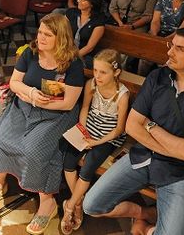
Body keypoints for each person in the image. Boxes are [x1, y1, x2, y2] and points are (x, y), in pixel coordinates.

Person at [82, 26, 184, 234]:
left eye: (180, 49)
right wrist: (180, 147)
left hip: (182, 172)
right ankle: (144, 214)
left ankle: (149, 229)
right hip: (144, 157)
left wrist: (150, 125)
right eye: (172, 45)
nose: (169, 52)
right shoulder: (157, 77)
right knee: (91, 205)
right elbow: (131, 125)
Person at [0, 13, 85, 234]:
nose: (41, 37)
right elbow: (15, 82)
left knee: (34, 150)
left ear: (61, 38)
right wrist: (30, 94)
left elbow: (68, 104)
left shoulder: (73, 64)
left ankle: (46, 200)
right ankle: (0, 180)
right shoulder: (30, 52)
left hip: (56, 115)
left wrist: (41, 102)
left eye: (48, 34)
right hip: (26, 105)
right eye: (39, 32)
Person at [60, 49, 129, 234]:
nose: (97, 75)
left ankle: (70, 207)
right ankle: (78, 201)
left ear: (116, 72)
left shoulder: (122, 95)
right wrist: (83, 131)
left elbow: (119, 130)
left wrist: (95, 143)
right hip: (89, 129)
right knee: (68, 160)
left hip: (107, 137)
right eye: (96, 70)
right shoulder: (91, 84)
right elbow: (84, 108)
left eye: (103, 72)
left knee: (89, 165)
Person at [65, 0, 106, 69]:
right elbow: (60, 31)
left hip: (85, 56)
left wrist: (71, 58)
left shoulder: (98, 21)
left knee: (73, 66)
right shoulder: (71, 13)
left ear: (92, 3)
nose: (78, 1)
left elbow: (89, 47)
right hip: (67, 51)